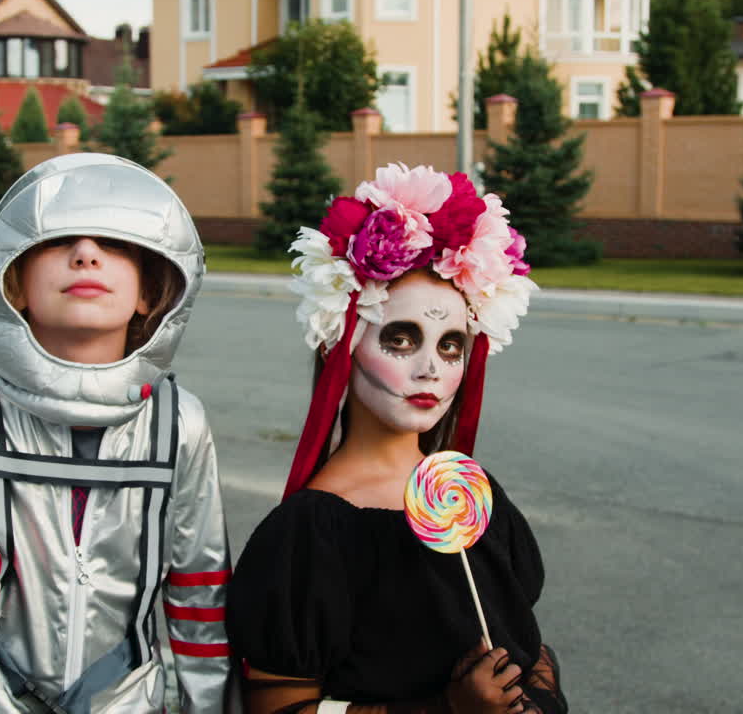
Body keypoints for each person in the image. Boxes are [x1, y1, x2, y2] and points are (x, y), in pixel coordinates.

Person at [0, 153, 236, 714]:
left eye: (115, 244)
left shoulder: (178, 421)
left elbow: (200, 594)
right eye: (58, 240)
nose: (86, 253)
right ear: (13, 282)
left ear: (152, 291)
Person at [226, 163, 567, 713]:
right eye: (403, 338)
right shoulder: (306, 538)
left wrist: (532, 696)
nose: (432, 368)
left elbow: (529, 643)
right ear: (342, 344)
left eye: (451, 345)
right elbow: (278, 708)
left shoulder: (470, 497)